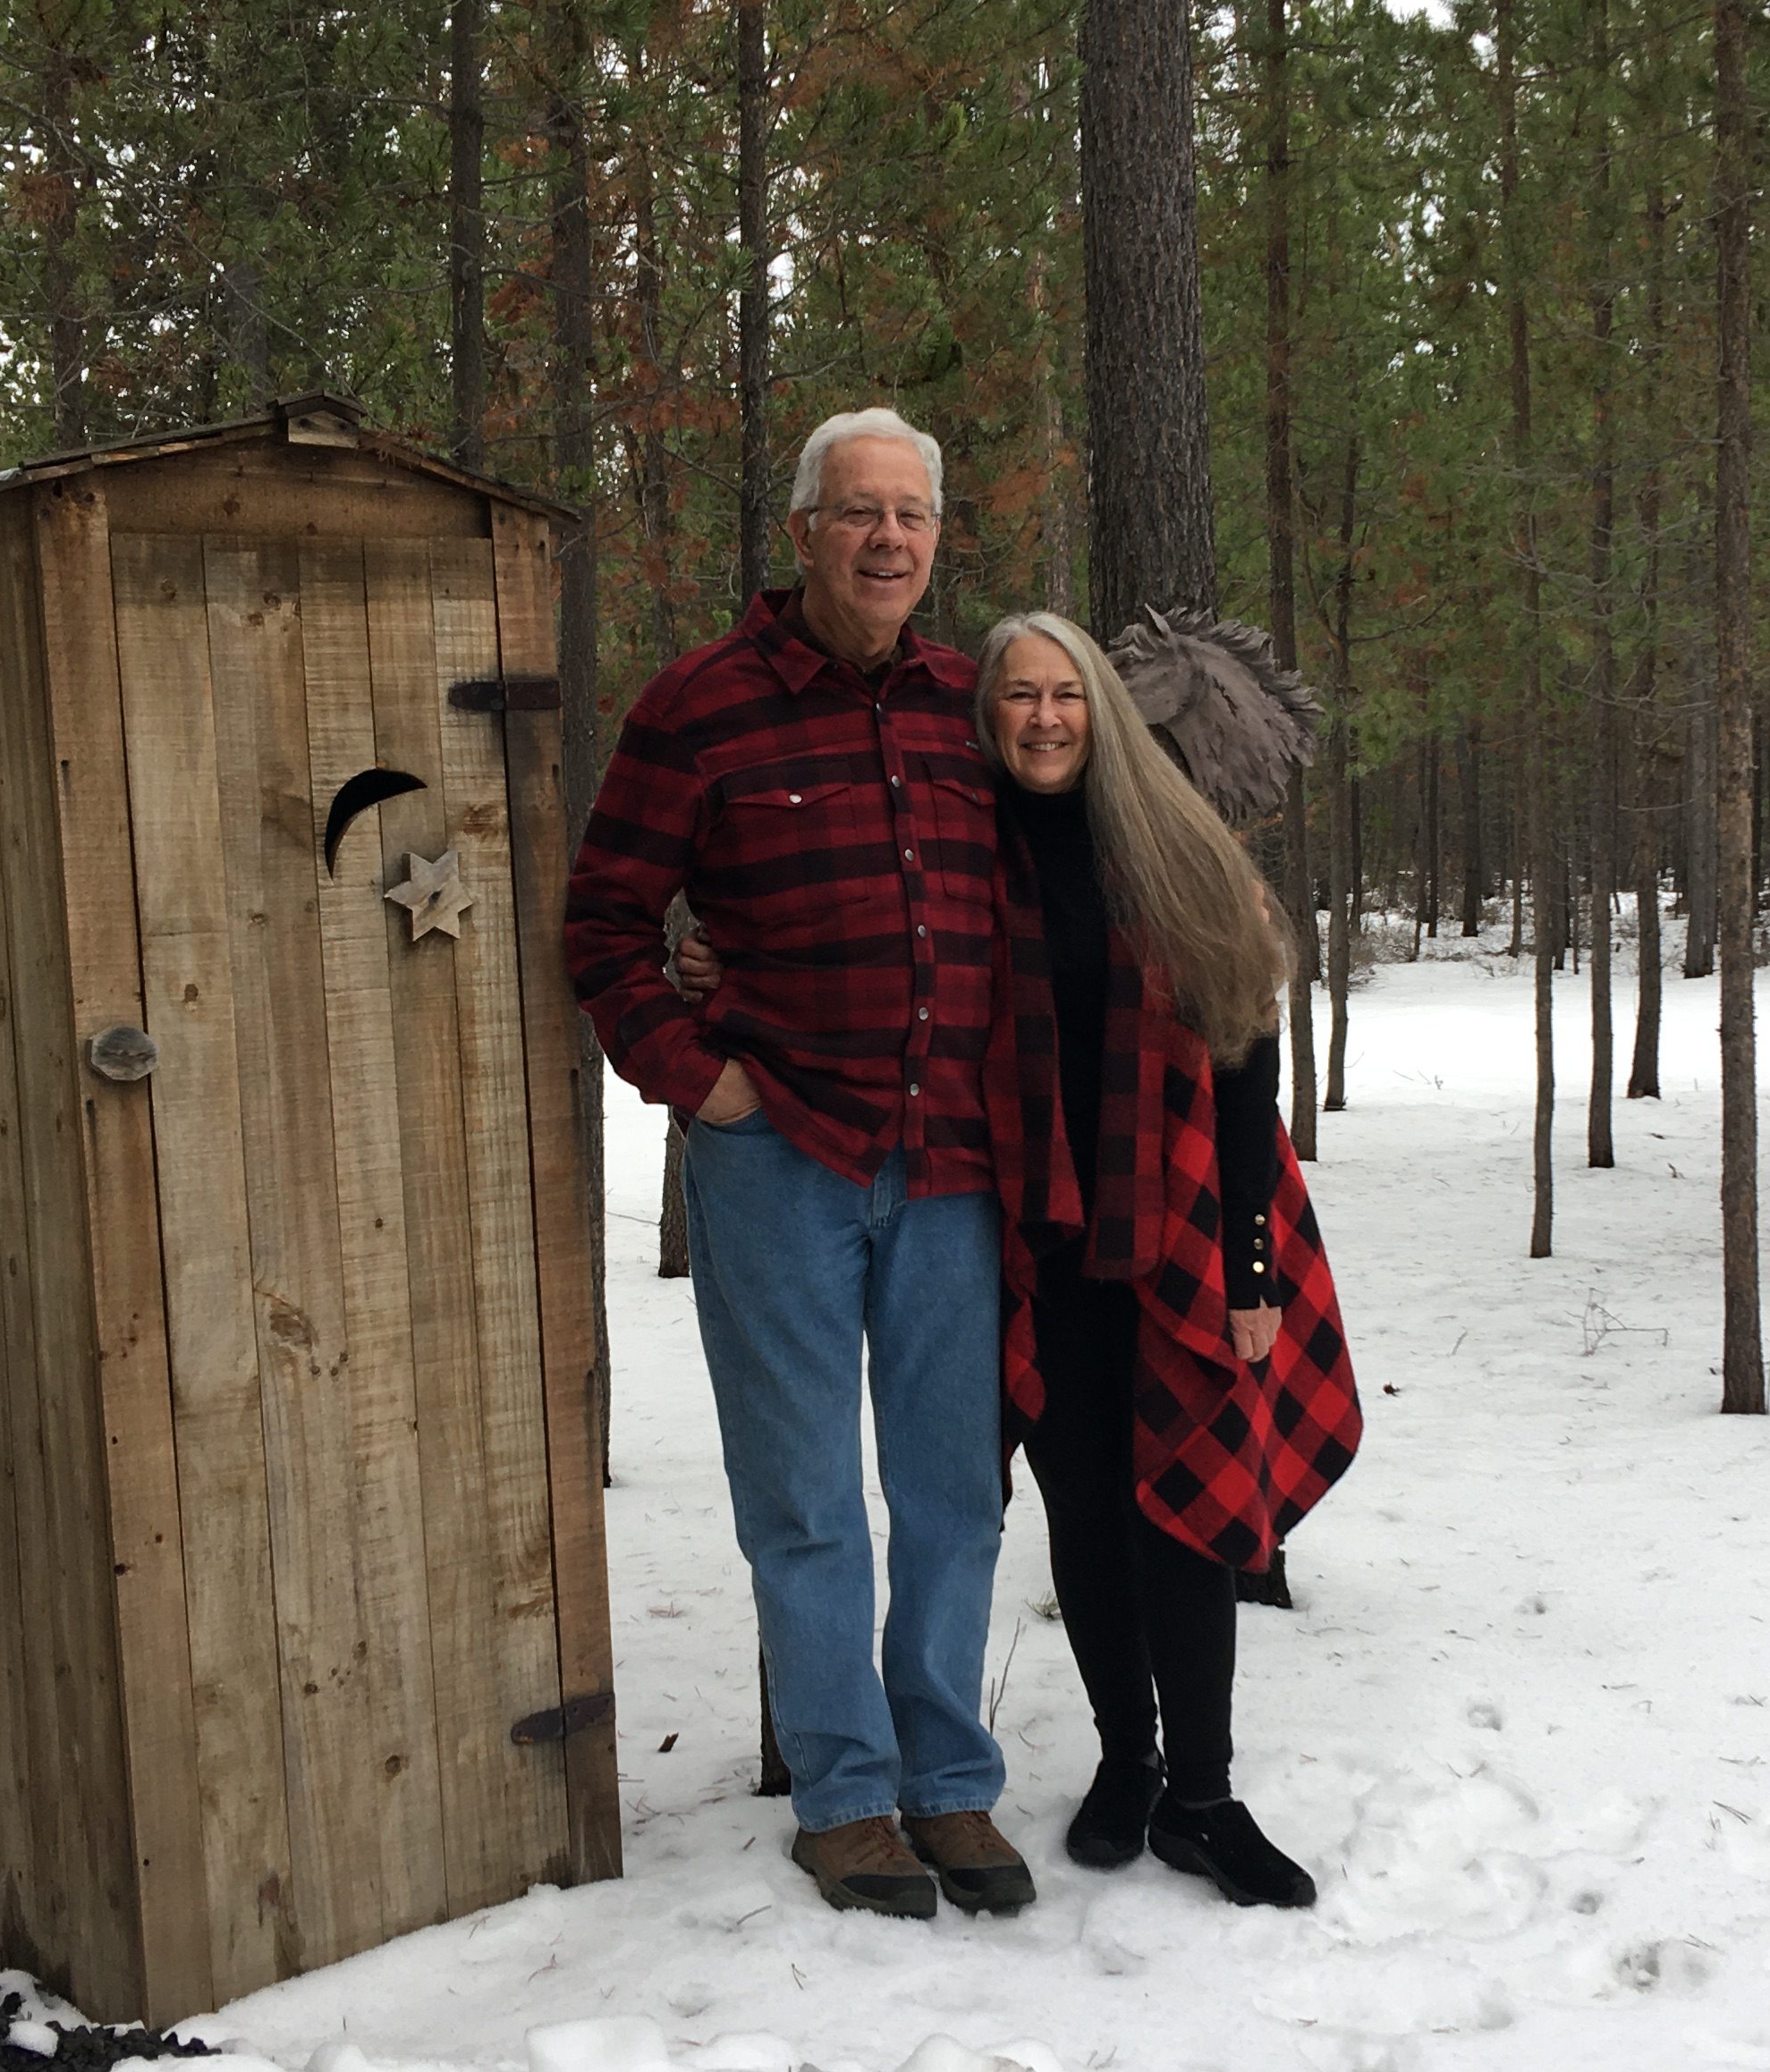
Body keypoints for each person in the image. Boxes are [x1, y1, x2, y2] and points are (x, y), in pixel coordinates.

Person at [563, 408, 1031, 1924]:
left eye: (913, 516)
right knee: (809, 1497)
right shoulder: (700, 708)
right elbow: (605, 928)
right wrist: (703, 1081)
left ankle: (949, 1779)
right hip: (782, 1166)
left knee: (955, 1493)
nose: (889, 541)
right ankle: (844, 1795)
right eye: (859, 514)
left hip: (955, 1162)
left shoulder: (973, 709)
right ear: (803, 530)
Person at [978, 609, 1361, 1907]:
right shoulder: (971, 859)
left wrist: (1251, 1268)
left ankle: (1204, 1795)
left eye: (1066, 697)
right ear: (991, 715)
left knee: (1186, 1513)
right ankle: (1123, 1765)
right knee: (1084, 1505)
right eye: (1018, 697)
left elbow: (1248, 1060)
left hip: (1189, 1231)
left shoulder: (1172, 850)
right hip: (1042, 1241)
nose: (1042, 720)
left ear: (1101, 711)